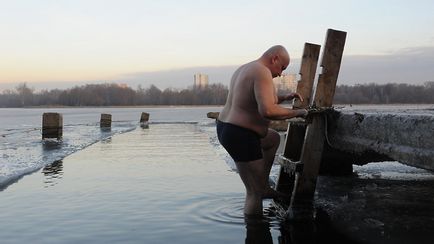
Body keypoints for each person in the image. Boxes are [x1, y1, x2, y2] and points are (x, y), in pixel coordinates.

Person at [216, 45, 308, 216]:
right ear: (274, 58)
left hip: (228, 128)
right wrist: (299, 113)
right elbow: (267, 111)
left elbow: (255, 98)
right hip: (240, 134)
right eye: (282, 68)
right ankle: (256, 230)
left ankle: (264, 186)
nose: (281, 73)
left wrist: (284, 98)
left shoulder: (247, 68)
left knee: (272, 139)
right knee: (253, 193)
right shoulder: (262, 72)